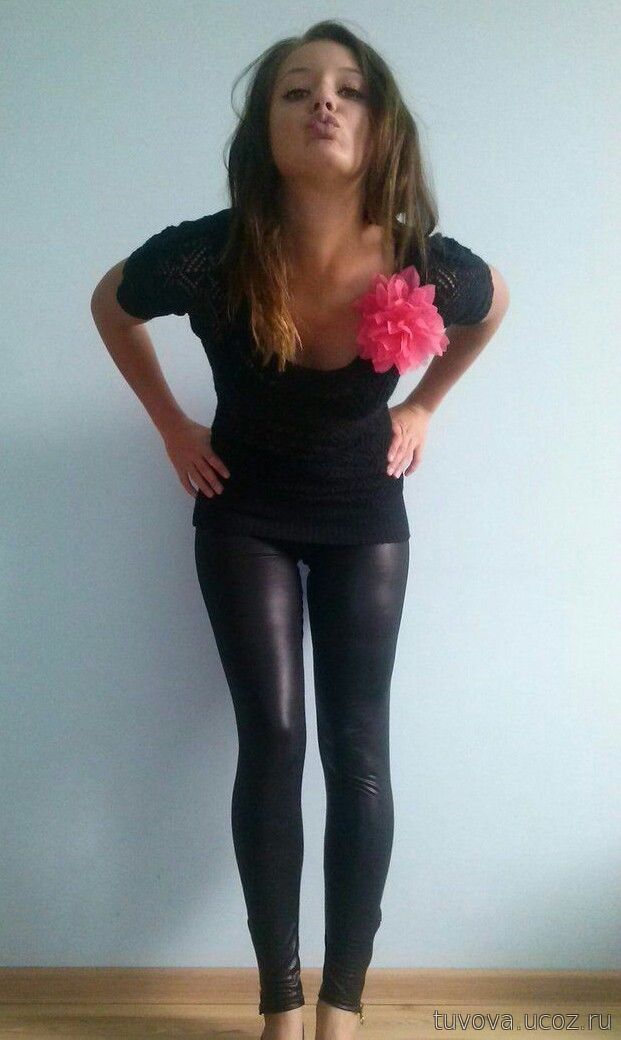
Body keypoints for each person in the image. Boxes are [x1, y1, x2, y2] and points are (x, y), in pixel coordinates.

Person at [91, 20, 510, 1040]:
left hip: (364, 513)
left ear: (381, 126)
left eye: (348, 88)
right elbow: (111, 304)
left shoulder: (423, 262)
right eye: (295, 89)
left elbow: (493, 307)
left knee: (358, 746)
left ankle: (342, 1005)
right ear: (264, 128)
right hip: (244, 513)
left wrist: (425, 405)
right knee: (274, 741)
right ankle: (280, 1003)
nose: (323, 100)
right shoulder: (209, 253)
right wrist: (172, 426)